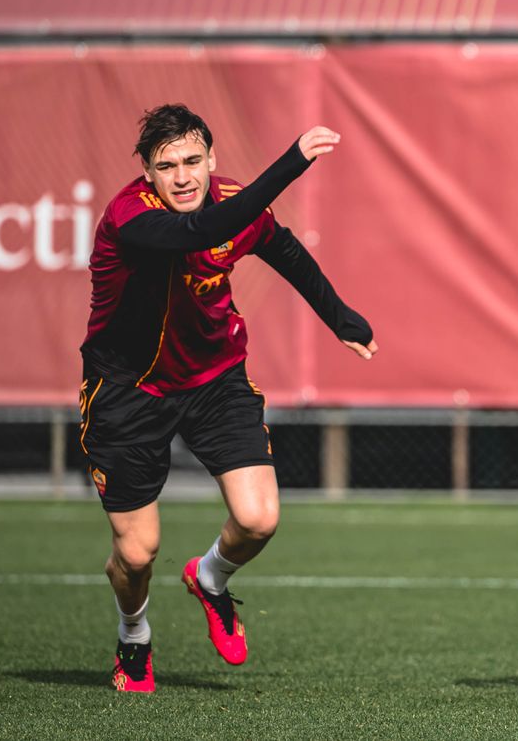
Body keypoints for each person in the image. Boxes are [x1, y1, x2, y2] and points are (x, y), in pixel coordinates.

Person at [80, 104, 378, 692]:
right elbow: (200, 233)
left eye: (194, 161)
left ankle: (209, 578)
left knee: (258, 518)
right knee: (137, 555)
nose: (183, 176)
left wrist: (339, 316)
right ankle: (134, 638)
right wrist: (292, 162)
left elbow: (284, 249)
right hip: (128, 391)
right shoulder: (129, 215)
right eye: (167, 166)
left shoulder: (233, 200)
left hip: (216, 378)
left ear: (212, 160)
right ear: (147, 172)